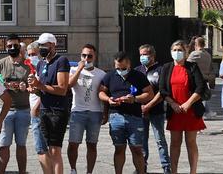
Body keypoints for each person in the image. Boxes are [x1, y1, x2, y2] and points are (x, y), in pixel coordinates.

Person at [157, 40, 206, 174]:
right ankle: (174, 171)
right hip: (175, 111)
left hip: (191, 110)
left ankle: (193, 171)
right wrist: (172, 103)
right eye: (175, 50)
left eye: (180, 50)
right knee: (175, 143)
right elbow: (162, 89)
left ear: (185, 52)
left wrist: (188, 103)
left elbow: (200, 86)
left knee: (191, 142)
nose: (177, 53)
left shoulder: (192, 67)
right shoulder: (166, 67)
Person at [99, 51, 152, 174]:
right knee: (119, 149)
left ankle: (141, 172)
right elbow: (101, 92)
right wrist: (108, 100)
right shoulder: (110, 76)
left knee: (137, 149)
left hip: (135, 117)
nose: (120, 70)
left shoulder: (138, 76)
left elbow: (149, 94)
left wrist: (135, 99)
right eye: (117, 68)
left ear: (129, 64)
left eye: (123, 68)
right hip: (116, 116)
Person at [30, 32, 72, 174]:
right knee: (46, 149)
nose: (41, 47)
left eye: (44, 45)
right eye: (40, 45)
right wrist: (33, 88)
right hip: (44, 109)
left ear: (53, 45)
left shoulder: (61, 61)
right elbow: (42, 88)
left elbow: (62, 89)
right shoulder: (41, 63)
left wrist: (39, 85)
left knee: (55, 150)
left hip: (57, 110)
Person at [0, 34, 31, 174]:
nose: (12, 48)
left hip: (23, 109)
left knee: (21, 144)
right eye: (9, 46)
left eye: (15, 45)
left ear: (20, 45)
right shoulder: (0, 64)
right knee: (4, 144)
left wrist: (25, 86)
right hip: (5, 110)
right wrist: (4, 84)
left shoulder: (27, 64)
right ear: (5, 47)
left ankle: (22, 172)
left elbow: (34, 85)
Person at [66, 44, 107, 174]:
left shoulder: (101, 74)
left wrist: (105, 113)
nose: (86, 58)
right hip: (77, 111)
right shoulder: (73, 70)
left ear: (94, 56)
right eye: (84, 55)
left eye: (90, 56)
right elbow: (68, 85)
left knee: (92, 144)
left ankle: (89, 171)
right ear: (80, 56)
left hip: (95, 112)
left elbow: (104, 93)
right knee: (73, 143)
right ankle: (73, 169)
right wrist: (79, 69)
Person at [136, 44, 170, 174]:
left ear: (152, 55)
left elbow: (162, 91)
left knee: (160, 139)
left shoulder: (161, 70)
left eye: (145, 54)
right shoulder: (137, 70)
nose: (143, 57)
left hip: (157, 111)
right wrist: (139, 105)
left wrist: (149, 105)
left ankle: (166, 166)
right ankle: (142, 166)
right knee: (141, 141)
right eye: (141, 54)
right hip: (140, 112)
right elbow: (133, 91)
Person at [25, 42, 48, 173]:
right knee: (44, 149)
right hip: (35, 109)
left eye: (34, 54)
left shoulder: (42, 67)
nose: (32, 56)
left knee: (41, 149)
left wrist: (36, 107)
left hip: (39, 111)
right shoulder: (33, 68)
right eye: (29, 54)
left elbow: (44, 89)